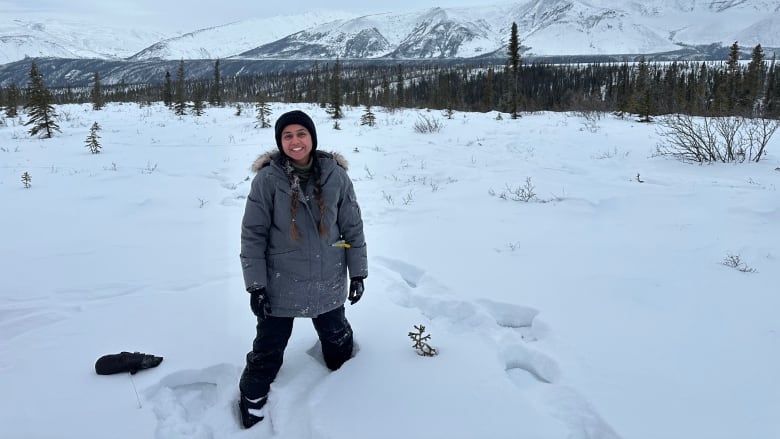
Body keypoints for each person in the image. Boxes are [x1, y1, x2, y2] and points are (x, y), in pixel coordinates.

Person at [237, 109, 368, 428]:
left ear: (312, 137)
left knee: (338, 342)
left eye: (301, 134)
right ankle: (252, 399)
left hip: (327, 279)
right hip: (281, 282)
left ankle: (352, 392)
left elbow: (352, 225)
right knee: (268, 349)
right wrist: (256, 285)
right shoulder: (268, 179)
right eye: (287, 136)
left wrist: (358, 272)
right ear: (280, 142)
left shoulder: (336, 174)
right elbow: (252, 234)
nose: (295, 141)